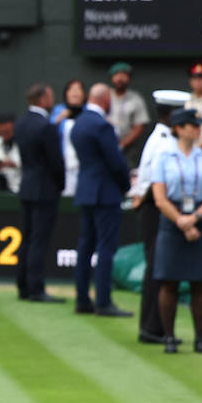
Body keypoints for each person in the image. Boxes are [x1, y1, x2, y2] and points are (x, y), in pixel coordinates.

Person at [151, 108, 202, 353]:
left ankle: (200, 338)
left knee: (199, 282)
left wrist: (195, 218)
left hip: (199, 218)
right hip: (172, 220)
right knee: (169, 281)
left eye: (198, 125)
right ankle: (169, 337)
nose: (197, 128)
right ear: (179, 129)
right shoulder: (164, 158)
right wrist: (181, 220)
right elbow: (160, 199)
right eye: (192, 125)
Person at [129, 89, 185, 344]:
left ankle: (155, 326)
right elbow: (154, 183)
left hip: (153, 205)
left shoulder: (162, 138)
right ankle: (152, 328)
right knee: (156, 266)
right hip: (155, 207)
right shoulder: (165, 143)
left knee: (158, 266)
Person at [71, 82, 133, 318]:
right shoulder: (101, 126)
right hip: (105, 193)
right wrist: (126, 185)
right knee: (105, 248)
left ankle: (82, 300)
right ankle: (104, 302)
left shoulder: (79, 124)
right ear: (106, 99)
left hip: (86, 191)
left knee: (86, 246)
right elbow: (116, 162)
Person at [15, 82, 66, 303]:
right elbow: (56, 163)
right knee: (38, 240)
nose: (52, 100)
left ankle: (23, 286)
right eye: (50, 96)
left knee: (27, 238)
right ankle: (36, 288)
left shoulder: (21, 124)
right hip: (44, 190)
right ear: (42, 99)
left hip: (26, 187)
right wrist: (60, 185)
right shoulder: (46, 126)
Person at [107, 61, 149, 165]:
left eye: (123, 75)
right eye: (116, 75)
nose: (120, 79)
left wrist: (122, 144)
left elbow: (139, 126)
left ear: (129, 78)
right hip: (105, 144)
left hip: (127, 149)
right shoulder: (105, 95)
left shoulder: (136, 98)